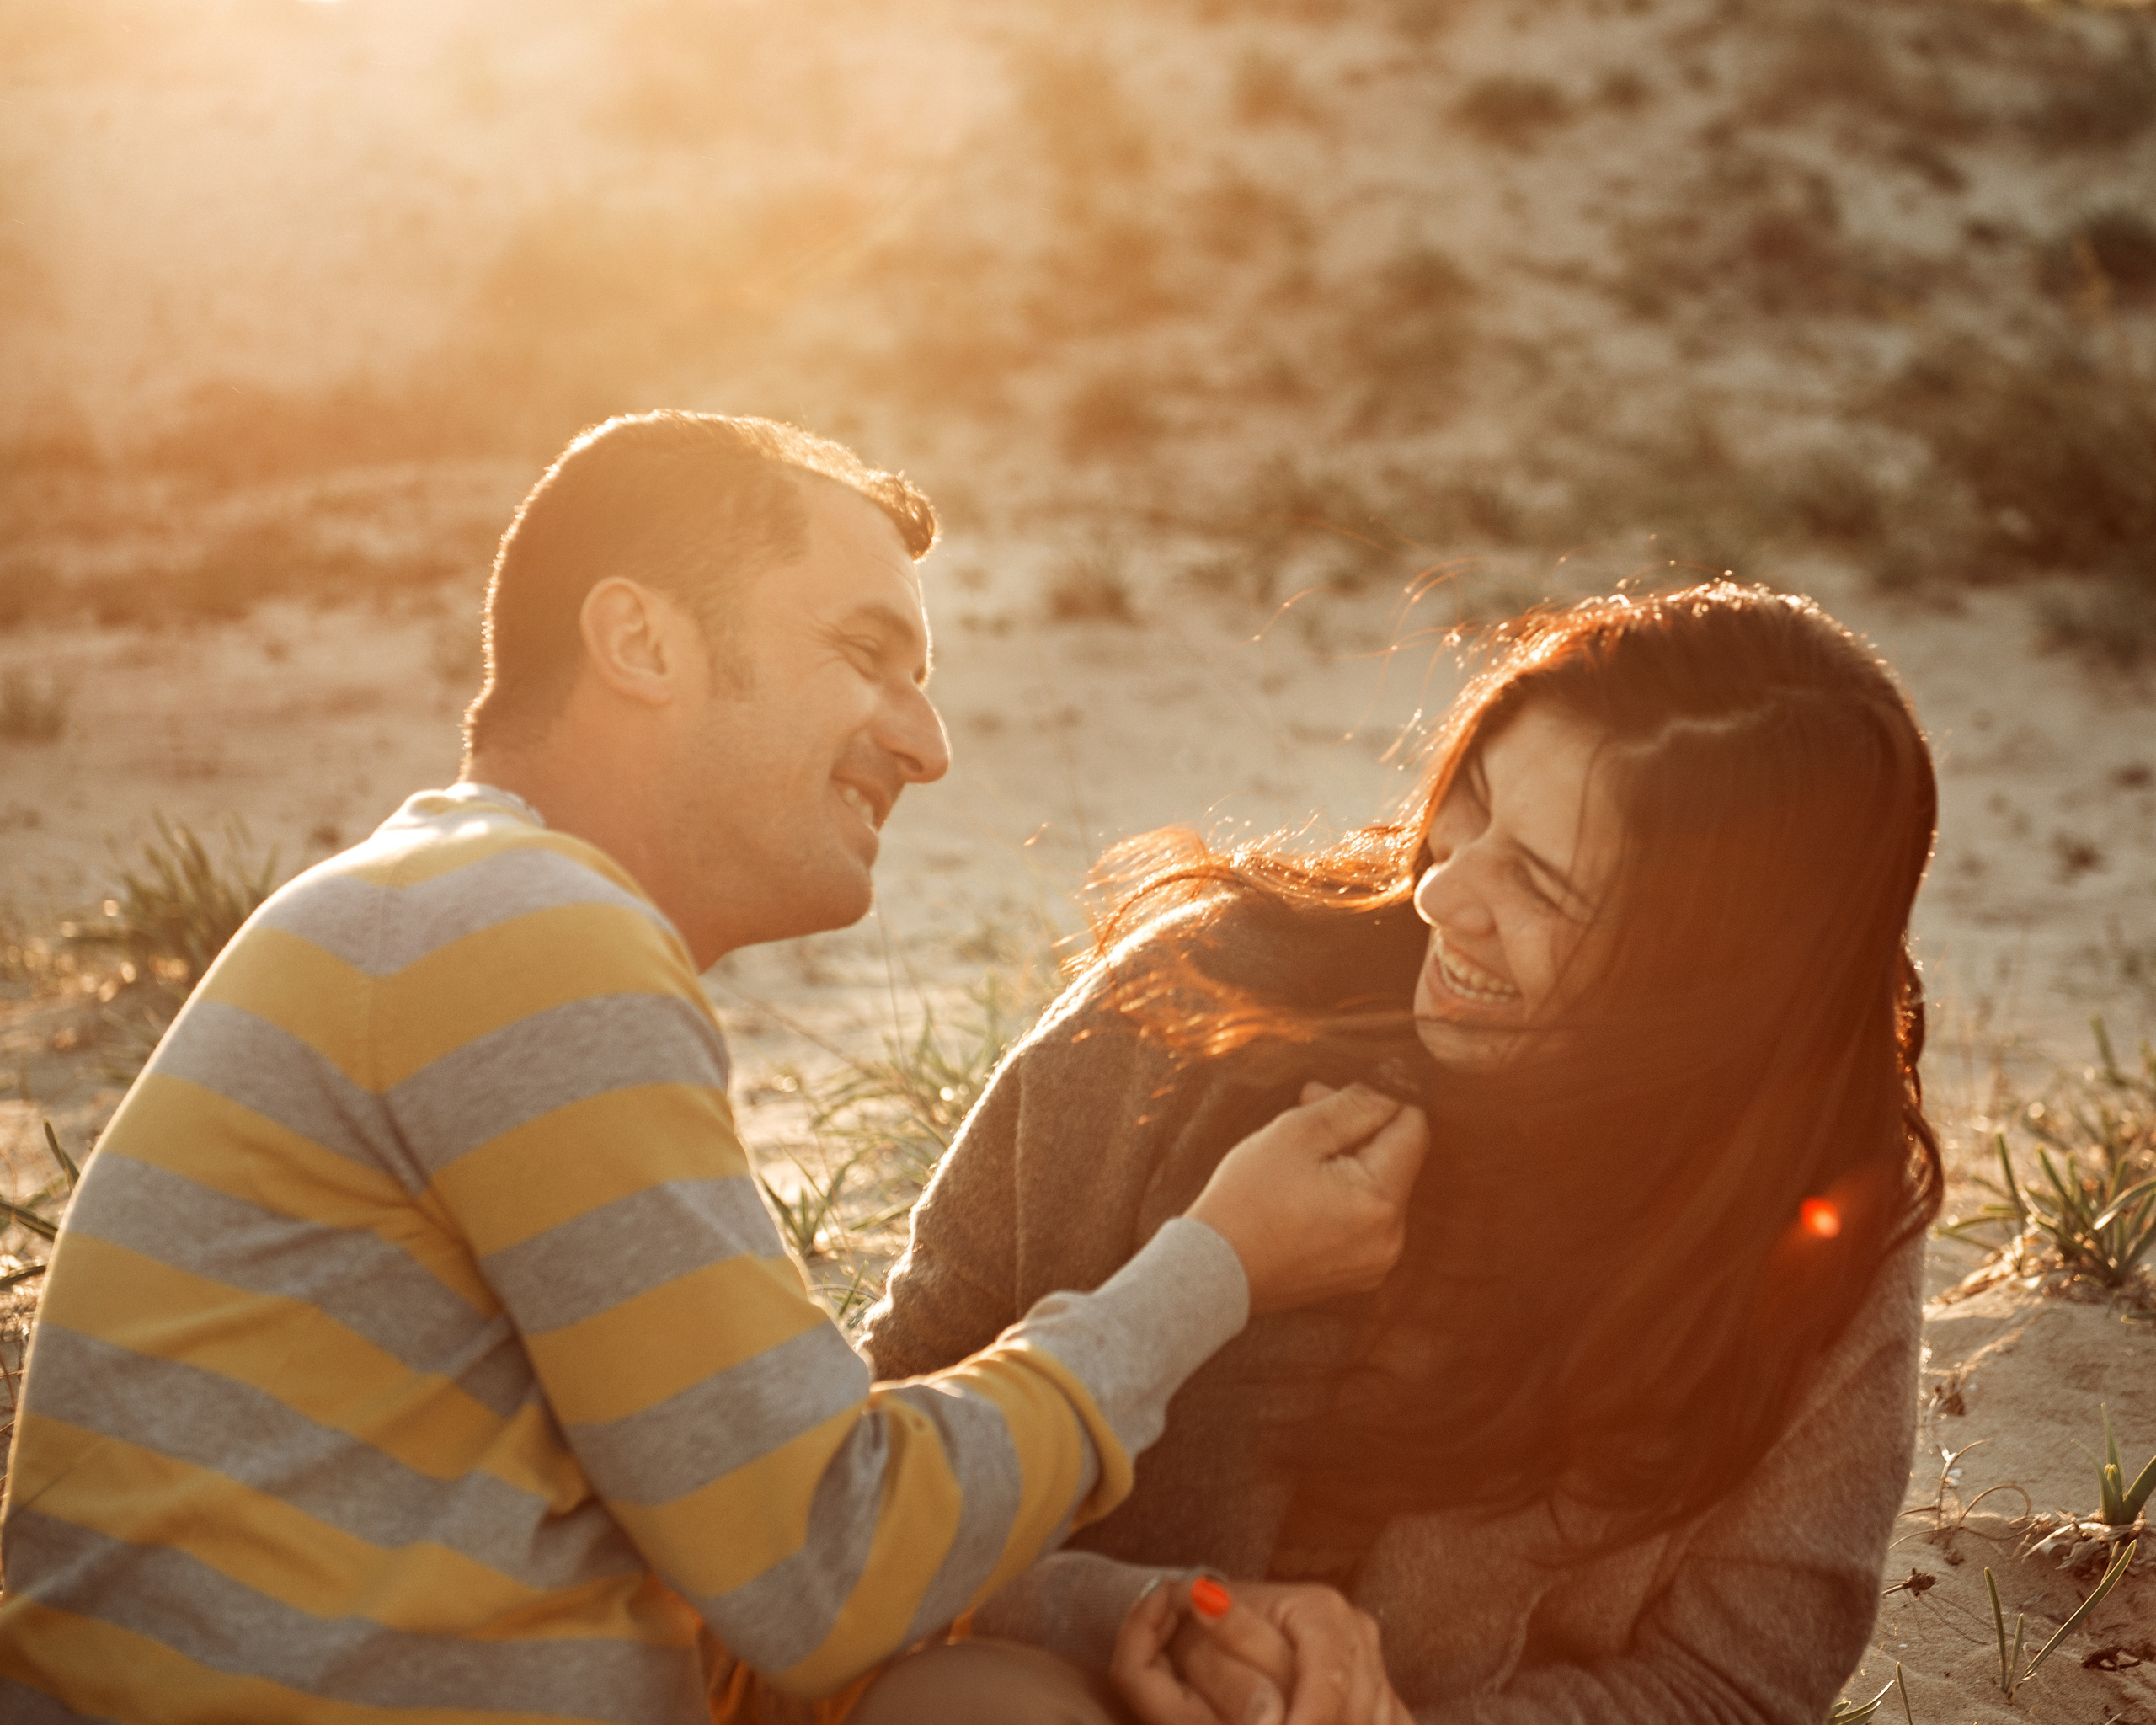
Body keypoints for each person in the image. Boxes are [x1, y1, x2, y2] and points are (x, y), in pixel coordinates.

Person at [0, 412, 1429, 1725]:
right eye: (868, 659)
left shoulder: (465, 912)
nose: (926, 746)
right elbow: (821, 1563)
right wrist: (1223, 1265)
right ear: (641, 643)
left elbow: (727, 1515)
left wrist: (1119, 1604)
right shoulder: (522, 931)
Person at [865, 581, 1943, 1723]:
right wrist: (1142, 1615)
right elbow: (850, 1482)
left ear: (1711, 980)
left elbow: (1741, 1684)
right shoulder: (1186, 1011)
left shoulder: (1810, 1225)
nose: (1441, 891)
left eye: (1539, 882)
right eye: (1470, 807)